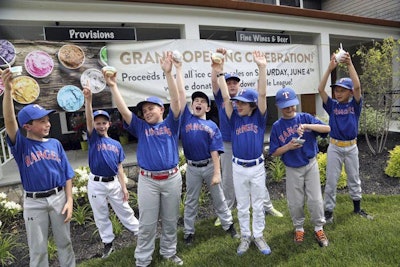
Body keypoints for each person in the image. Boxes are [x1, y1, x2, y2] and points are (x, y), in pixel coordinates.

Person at [102, 51, 183, 267]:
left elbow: (176, 100)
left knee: (170, 220)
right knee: (147, 224)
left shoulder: (170, 124)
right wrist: (113, 86)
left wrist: (169, 73)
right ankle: (143, 259)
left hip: (172, 178)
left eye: (150, 108)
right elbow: (124, 111)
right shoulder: (141, 127)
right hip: (148, 180)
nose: (146, 113)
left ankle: (168, 252)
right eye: (144, 110)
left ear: (161, 109)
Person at [1, 68, 76, 266]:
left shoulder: (55, 144)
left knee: (65, 243)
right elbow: (9, 121)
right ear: (27, 126)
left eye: (48, 120)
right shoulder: (21, 146)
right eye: (42, 121)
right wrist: (8, 92)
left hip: (59, 197)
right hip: (34, 202)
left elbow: (67, 174)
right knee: (38, 248)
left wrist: (69, 200)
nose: (48, 124)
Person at [211, 48, 283, 224]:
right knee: (229, 180)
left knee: (258, 178)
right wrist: (219, 68)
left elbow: (262, 95)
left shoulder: (249, 106)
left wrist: (262, 68)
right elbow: (220, 88)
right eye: (229, 82)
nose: (232, 85)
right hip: (228, 144)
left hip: (249, 146)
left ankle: (266, 205)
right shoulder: (223, 100)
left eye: (235, 82)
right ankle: (227, 210)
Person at [214, 50, 271, 256]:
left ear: (252, 105)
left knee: (257, 204)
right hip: (239, 167)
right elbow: (227, 97)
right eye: (237, 103)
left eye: (243, 103)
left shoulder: (259, 118)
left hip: (256, 167)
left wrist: (262, 68)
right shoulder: (234, 118)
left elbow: (263, 94)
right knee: (243, 205)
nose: (238, 105)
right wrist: (220, 74)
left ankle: (258, 235)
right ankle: (246, 236)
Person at [82, 84, 139, 258]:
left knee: (125, 209)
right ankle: (108, 243)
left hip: (113, 182)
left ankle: (141, 234)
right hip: (96, 183)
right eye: (97, 123)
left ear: (109, 124)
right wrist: (88, 100)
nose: (100, 126)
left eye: (103, 123)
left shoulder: (115, 144)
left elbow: (120, 168)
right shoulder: (93, 139)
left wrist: (123, 187)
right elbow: (88, 120)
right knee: (101, 215)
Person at [269, 87, 330, 247]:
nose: (289, 108)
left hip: (310, 164)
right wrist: (288, 146)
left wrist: (308, 126)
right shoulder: (277, 126)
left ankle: (318, 227)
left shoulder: (305, 117)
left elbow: (327, 129)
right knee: (295, 202)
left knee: (315, 199)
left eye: (292, 105)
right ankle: (299, 228)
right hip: (292, 168)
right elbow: (274, 152)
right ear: (279, 106)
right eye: (286, 106)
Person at [318, 53, 373, 223]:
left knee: (354, 178)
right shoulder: (332, 105)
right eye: (336, 90)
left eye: (342, 90)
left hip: (351, 147)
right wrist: (329, 68)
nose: (338, 93)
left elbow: (357, 87)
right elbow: (321, 89)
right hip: (334, 147)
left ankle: (357, 209)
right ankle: (328, 212)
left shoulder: (354, 106)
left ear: (349, 93)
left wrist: (349, 64)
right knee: (331, 181)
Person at [179, 89, 240, 245]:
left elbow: (215, 151)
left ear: (207, 108)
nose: (199, 103)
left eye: (203, 101)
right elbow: (179, 93)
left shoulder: (212, 126)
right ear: (191, 105)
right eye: (196, 101)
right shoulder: (186, 119)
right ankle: (188, 232)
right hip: (192, 167)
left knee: (219, 198)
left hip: (209, 166)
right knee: (191, 201)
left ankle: (228, 225)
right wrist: (177, 71)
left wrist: (217, 173)